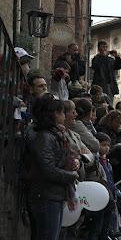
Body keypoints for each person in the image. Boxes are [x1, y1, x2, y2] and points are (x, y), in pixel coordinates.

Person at [25, 95, 79, 240]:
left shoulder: (56, 135)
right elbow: (48, 169)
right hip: (45, 195)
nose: (64, 115)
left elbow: (65, 158)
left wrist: (73, 163)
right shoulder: (44, 137)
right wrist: (72, 175)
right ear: (55, 114)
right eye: (62, 112)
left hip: (52, 194)